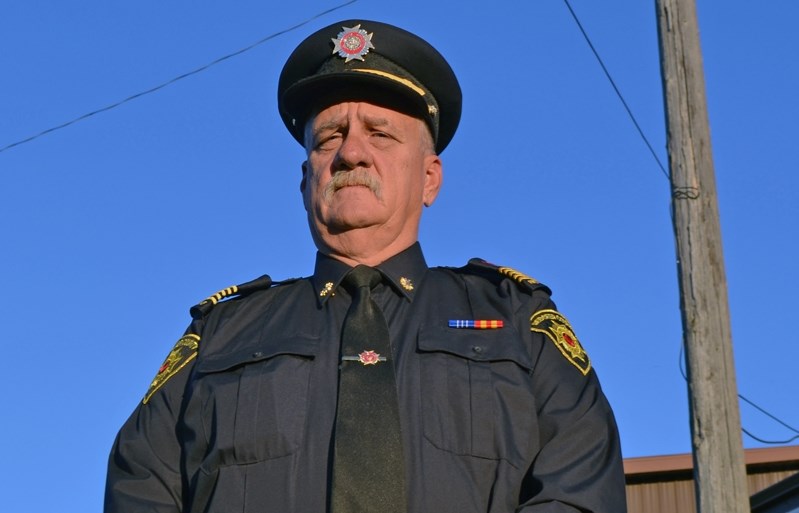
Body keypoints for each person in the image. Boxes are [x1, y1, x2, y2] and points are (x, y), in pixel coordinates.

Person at [105, 19, 627, 513]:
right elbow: (140, 485)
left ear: (429, 179)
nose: (351, 153)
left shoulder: (518, 324)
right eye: (328, 137)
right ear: (304, 181)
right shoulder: (221, 334)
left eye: (379, 133)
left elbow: (580, 489)